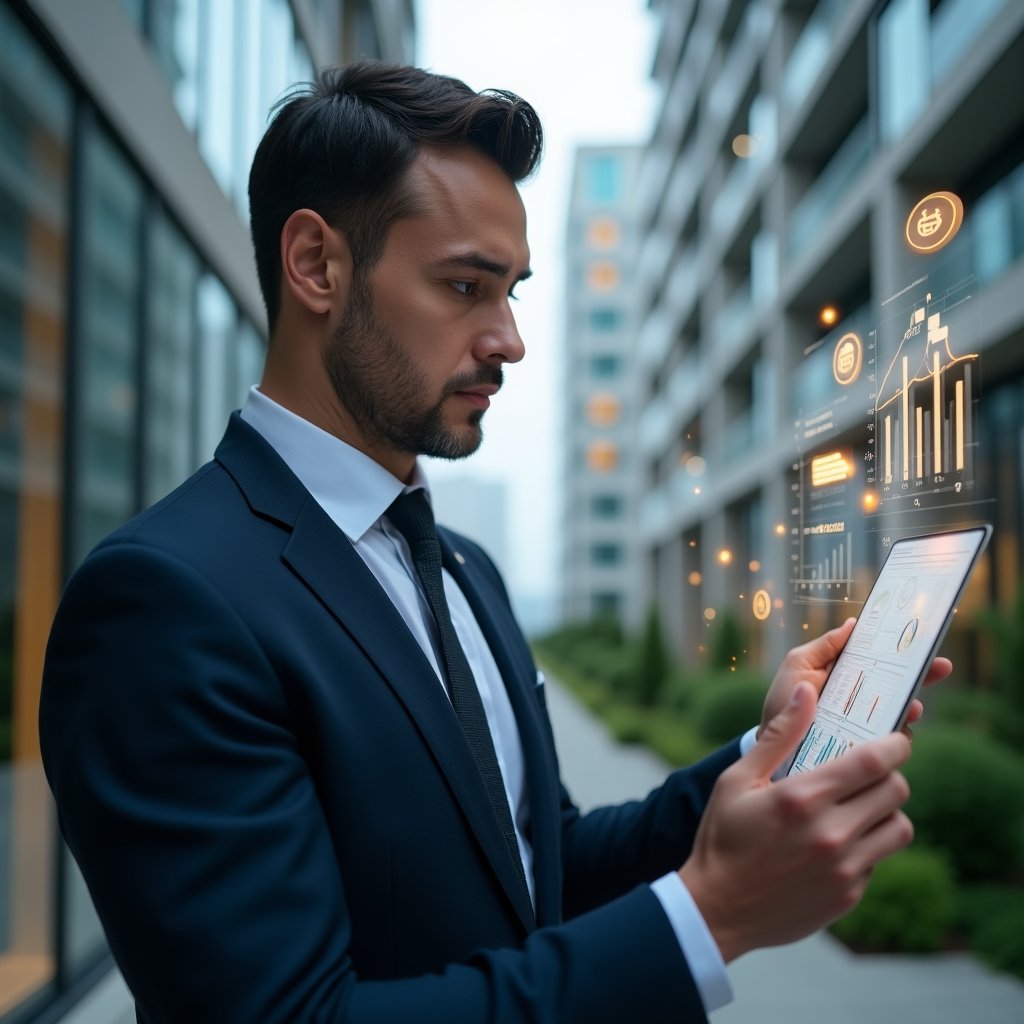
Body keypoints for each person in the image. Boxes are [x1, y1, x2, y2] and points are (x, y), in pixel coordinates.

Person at [39, 62, 949, 1024]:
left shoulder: (464, 569)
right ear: (315, 265)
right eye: (465, 286)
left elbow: (539, 860)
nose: (509, 340)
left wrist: (769, 750)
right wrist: (707, 920)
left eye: (511, 290)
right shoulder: (165, 601)